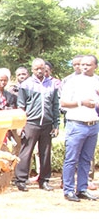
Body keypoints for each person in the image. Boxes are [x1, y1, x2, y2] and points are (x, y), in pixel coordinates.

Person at [13, 58, 59, 192]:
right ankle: (21, 180)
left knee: (45, 152)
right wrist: (20, 125)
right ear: (32, 70)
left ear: (46, 68)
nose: (40, 71)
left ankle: (44, 180)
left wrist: (56, 124)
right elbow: (21, 106)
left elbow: (55, 105)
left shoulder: (51, 84)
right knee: (26, 152)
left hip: (47, 123)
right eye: (36, 69)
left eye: (42, 68)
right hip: (31, 123)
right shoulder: (26, 85)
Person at [59, 54, 99, 202]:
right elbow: (63, 103)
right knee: (71, 159)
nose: (84, 67)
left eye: (88, 65)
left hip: (93, 124)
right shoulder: (72, 82)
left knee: (86, 159)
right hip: (76, 124)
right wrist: (81, 103)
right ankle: (68, 190)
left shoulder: (97, 81)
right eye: (82, 64)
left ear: (95, 66)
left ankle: (82, 188)